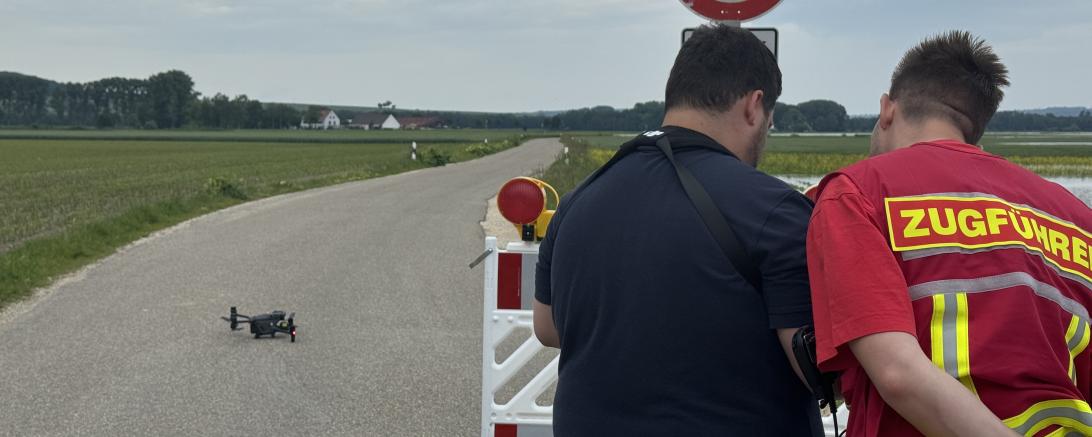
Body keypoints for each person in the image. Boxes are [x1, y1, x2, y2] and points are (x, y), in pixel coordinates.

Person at [533, 24, 821, 436]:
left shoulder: (579, 199)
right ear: (755, 106)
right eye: (769, 123)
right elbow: (820, 367)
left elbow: (547, 327)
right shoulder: (774, 210)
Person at [807, 31, 1092, 436]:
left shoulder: (858, 194)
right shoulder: (1074, 216)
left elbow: (897, 372)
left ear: (887, 109)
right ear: (974, 127)